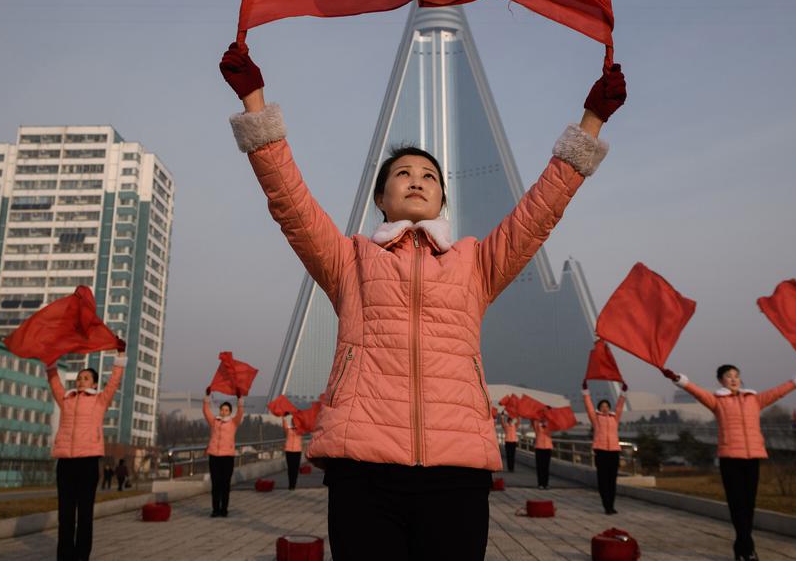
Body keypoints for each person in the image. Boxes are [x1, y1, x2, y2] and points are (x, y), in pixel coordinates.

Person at [219, 42, 624, 561]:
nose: (417, 180)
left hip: (456, 471)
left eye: (429, 176)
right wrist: (254, 101)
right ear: (382, 199)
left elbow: (538, 214)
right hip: (363, 468)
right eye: (403, 175)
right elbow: (289, 201)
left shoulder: (475, 264)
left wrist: (591, 122)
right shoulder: (350, 260)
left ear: (441, 201)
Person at [661, 362, 796, 561]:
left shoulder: (754, 399)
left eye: (736, 375)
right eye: (728, 376)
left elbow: (778, 392)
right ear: (721, 380)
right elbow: (697, 392)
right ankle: (747, 548)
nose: (733, 379)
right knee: (736, 504)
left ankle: (742, 546)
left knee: (749, 505)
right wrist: (679, 380)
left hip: (753, 458)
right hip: (730, 458)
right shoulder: (717, 401)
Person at [47, 344, 126, 561]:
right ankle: (64, 557)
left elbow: (114, 382)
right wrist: (51, 361)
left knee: (84, 515)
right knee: (65, 515)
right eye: (79, 377)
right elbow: (54, 382)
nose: (81, 380)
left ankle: (81, 556)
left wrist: (120, 356)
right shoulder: (66, 400)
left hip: (88, 463)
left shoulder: (100, 400)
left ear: (94, 383)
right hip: (65, 463)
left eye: (86, 378)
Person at [582, 381, 624, 514]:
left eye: (607, 406)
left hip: (614, 452)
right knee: (603, 480)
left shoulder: (614, 418)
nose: (605, 408)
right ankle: (606, 506)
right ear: (599, 408)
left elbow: (620, 407)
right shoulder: (595, 418)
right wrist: (586, 392)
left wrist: (623, 392)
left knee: (612, 480)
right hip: (601, 452)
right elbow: (588, 407)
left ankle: (611, 505)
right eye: (602, 406)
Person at [203, 392, 244, 517]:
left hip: (227, 457)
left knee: (225, 484)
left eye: (226, 410)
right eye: (222, 409)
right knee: (215, 484)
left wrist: (240, 400)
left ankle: (224, 509)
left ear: (230, 412)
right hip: (214, 456)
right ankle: (215, 510)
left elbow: (240, 413)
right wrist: (207, 397)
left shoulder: (233, 423)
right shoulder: (214, 422)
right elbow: (206, 411)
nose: (224, 411)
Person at [532, 416, 553, 490]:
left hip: (548, 447)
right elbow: (533, 419)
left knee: (546, 467)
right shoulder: (537, 425)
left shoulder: (550, 425)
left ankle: (546, 484)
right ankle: (540, 483)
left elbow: (554, 421)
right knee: (540, 467)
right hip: (539, 447)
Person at [284, 414, 304, 490]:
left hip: (297, 451)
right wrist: (284, 417)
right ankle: (290, 484)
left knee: (295, 468)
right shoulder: (288, 429)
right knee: (290, 468)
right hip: (288, 450)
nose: (294, 422)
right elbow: (285, 425)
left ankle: (293, 484)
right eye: (293, 421)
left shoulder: (300, 430)